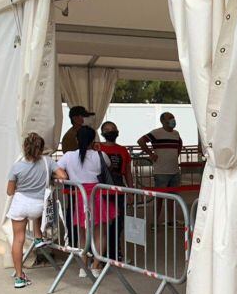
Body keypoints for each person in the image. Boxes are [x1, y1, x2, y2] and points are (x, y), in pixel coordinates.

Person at [55, 126, 116, 278]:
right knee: (99, 232)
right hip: (97, 195)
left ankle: (83, 265)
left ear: (77, 139)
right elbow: (109, 166)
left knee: (82, 233)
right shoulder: (99, 155)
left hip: (80, 196)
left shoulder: (69, 156)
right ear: (93, 140)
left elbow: (56, 168)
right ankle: (96, 265)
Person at [6, 132, 52, 288]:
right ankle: (38, 236)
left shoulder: (17, 166)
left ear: (25, 147)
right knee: (37, 214)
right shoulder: (47, 162)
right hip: (38, 207)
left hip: (20, 205)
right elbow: (63, 175)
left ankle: (19, 277)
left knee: (18, 239)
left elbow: (10, 191)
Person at [99, 120, 133, 260]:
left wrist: (131, 191)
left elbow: (127, 172)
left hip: (118, 191)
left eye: (113, 129)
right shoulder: (97, 148)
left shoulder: (122, 150)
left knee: (118, 223)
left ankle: (115, 252)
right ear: (102, 133)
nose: (111, 131)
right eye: (108, 129)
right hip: (101, 190)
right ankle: (100, 253)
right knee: (101, 224)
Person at [138, 112, 183, 189]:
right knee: (160, 195)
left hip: (175, 170)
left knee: (173, 195)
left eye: (173, 117)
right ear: (163, 121)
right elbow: (141, 141)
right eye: (170, 118)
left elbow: (180, 143)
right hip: (161, 172)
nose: (173, 120)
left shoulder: (176, 133)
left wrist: (177, 154)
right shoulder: (156, 132)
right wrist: (151, 154)